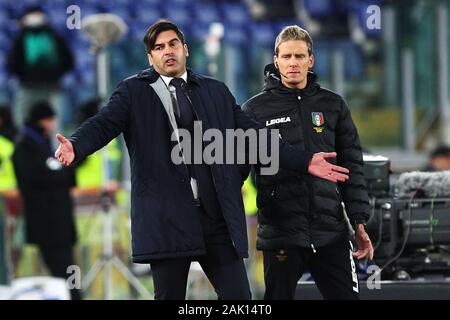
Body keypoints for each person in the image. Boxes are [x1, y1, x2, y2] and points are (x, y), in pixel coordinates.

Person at [54, 20, 349, 300]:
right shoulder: (134, 91)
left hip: (215, 218)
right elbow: (104, 123)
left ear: (185, 49)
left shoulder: (215, 91)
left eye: (173, 44)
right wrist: (77, 146)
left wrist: (304, 161)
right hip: (168, 219)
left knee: (240, 299)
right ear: (150, 56)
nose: (167, 51)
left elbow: (255, 135)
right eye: (159, 47)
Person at [242, 25, 373, 300]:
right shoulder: (253, 110)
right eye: (286, 56)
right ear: (275, 60)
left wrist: (359, 222)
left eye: (299, 56)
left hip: (330, 232)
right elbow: (240, 171)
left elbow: (352, 168)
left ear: (310, 60)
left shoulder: (334, 106)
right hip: (281, 232)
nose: (293, 63)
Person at [12, 102, 81, 300]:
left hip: (59, 223)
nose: (52, 125)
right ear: (41, 120)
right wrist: (59, 173)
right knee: (61, 271)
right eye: (50, 120)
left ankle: (74, 296)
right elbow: (38, 178)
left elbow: (64, 175)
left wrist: (59, 172)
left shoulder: (43, 144)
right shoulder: (26, 147)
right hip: (48, 224)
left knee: (67, 269)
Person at [7, 6, 74, 129]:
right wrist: (56, 75)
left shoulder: (22, 36)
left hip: (28, 86)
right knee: (53, 124)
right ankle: (55, 148)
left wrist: (25, 76)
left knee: (23, 122)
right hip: (52, 86)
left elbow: (12, 63)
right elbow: (68, 60)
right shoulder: (53, 34)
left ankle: (24, 146)